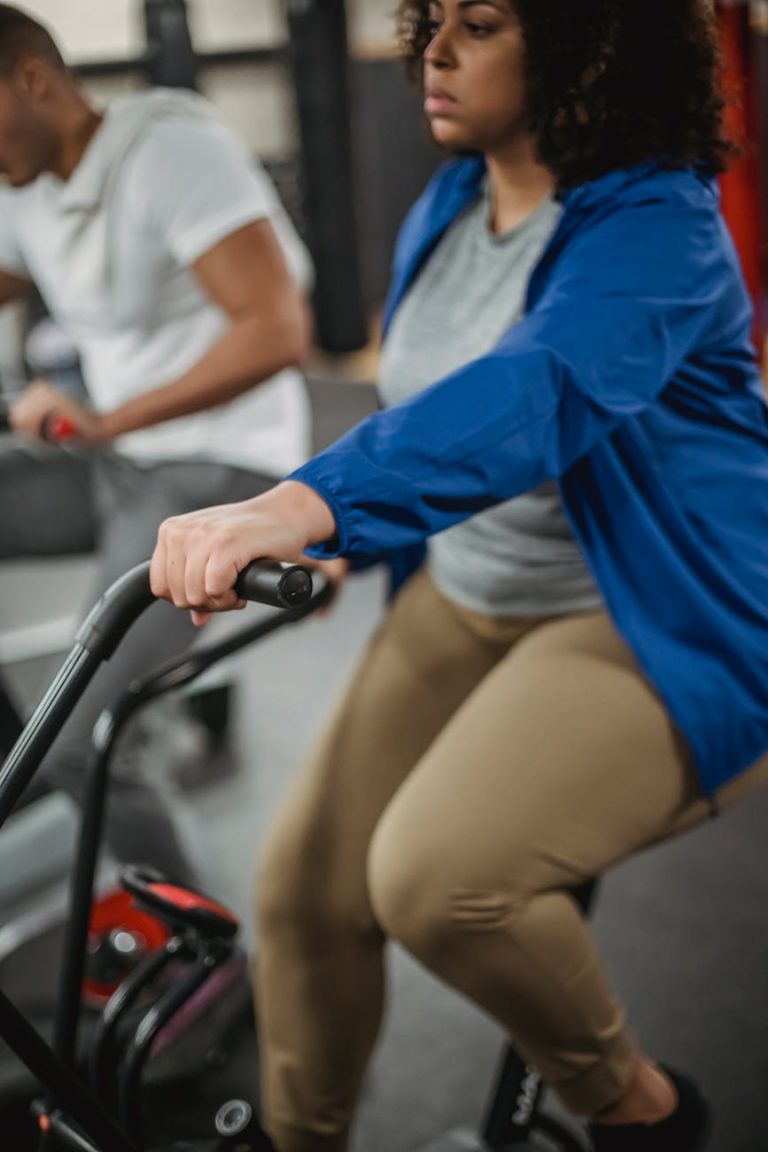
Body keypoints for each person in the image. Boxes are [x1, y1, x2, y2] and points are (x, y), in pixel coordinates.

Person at [150, 0, 768, 1148]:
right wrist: (345, 540)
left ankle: (646, 1114)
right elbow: (422, 405)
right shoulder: (453, 199)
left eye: (478, 23)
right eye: (429, 18)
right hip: (472, 590)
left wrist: (303, 504)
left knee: (438, 881)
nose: (432, 51)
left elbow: (532, 395)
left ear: (590, 42)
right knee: (304, 895)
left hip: (648, 611)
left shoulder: (658, 230)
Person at [0, 4, 313, 886]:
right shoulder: (28, 183)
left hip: (219, 468)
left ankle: (207, 969)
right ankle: (11, 775)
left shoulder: (169, 151)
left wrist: (108, 420)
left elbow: (278, 329)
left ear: (32, 79)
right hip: (119, 463)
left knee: (84, 744)